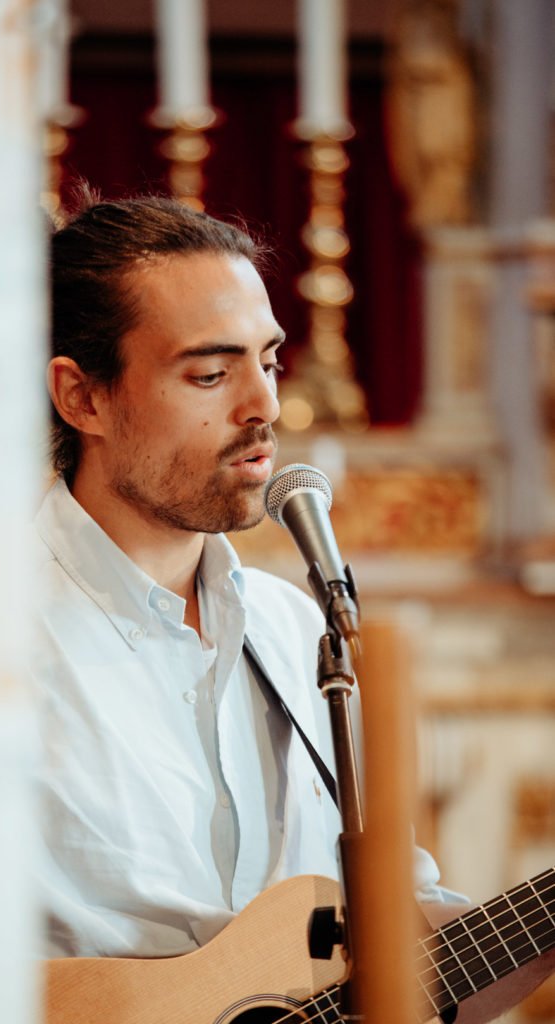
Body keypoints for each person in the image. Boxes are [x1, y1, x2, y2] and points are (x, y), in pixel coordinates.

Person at [32, 188, 554, 1018]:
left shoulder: (301, 629)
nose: (263, 408)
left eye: (268, 361)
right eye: (210, 372)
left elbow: (403, 957)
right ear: (82, 397)